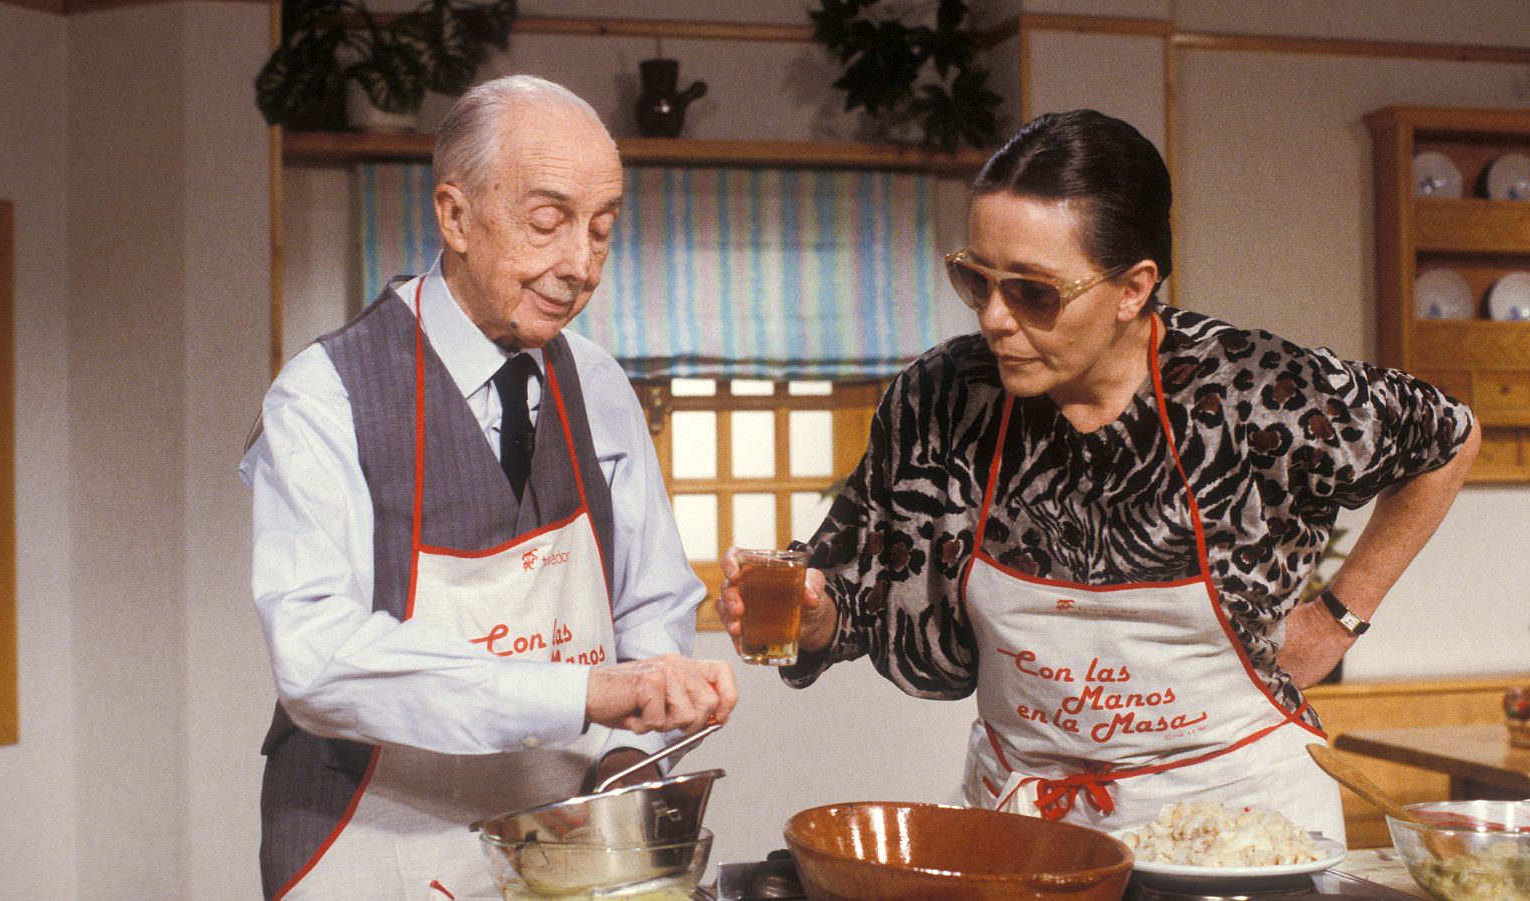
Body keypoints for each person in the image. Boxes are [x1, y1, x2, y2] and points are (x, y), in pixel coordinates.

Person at [717, 109, 1478, 841]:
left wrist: (1337, 616)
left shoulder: (1250, 392)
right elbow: (856, 592)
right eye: (977, 280)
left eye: (1032, 292)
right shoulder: (945, 398)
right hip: (1031, 827)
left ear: (1133, 288)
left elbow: (1449, 437)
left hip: (1243, 826)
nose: (993, 318)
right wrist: (813, 619)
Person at [240, 75, 736, 901]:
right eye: (548, 222)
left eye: (602, 230)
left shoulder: (601, 385)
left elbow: (653, 606)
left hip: (567, 839)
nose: (579, 264)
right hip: (371, 843)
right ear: (456, 216)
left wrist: (635, 746)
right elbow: (318, 658)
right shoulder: (325, 395)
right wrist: (589, 692)